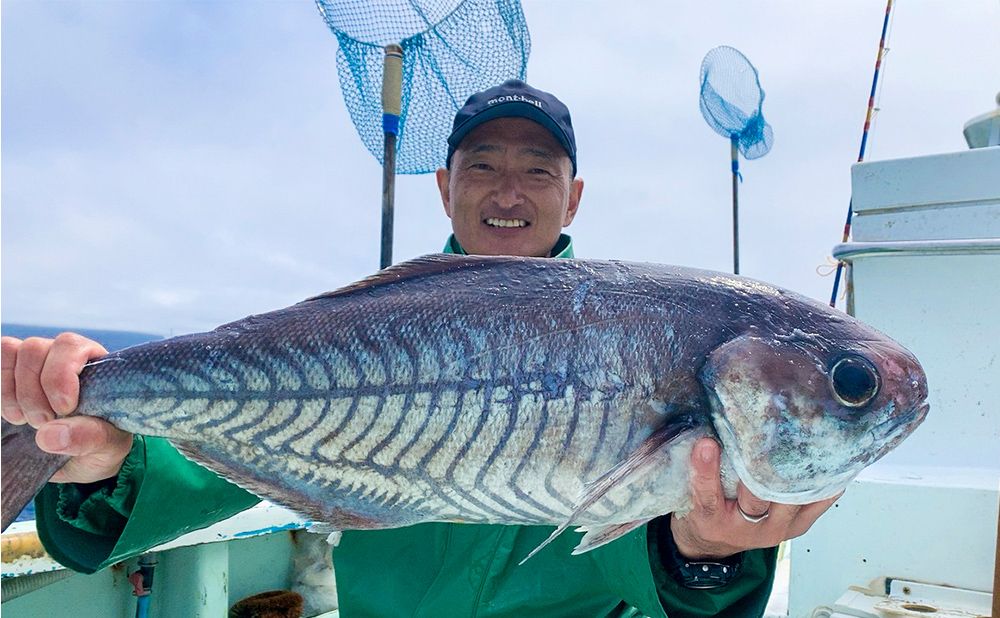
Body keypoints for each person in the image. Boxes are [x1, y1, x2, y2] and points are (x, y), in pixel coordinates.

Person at [1, 79, 837, 617]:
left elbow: (661, 568)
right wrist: (102, 461)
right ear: (445, 185)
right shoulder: (362, 335)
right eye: (482, 166)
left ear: (573, 198)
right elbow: (219, 457)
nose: (509, 191)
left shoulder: (636, 332)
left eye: (538, 171)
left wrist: (706, 555)